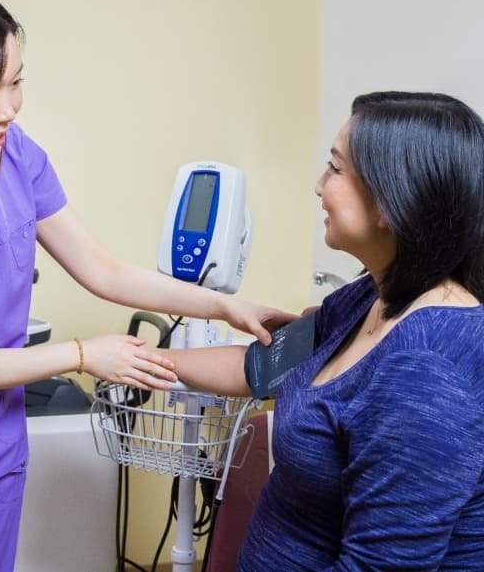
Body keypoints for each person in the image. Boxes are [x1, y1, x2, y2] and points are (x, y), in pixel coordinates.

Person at [0, 0, 291, 572]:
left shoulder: (13, 155)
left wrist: (222, 307)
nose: (8, 110)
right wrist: (82, 354)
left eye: (15, 83)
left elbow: (100, 268)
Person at [165, 91, 484, 571]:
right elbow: (261, 365)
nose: (319, 186)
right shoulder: (370, 298)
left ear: (392, 201)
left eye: (335, 169)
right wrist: (148, 362)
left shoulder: (424, 371)